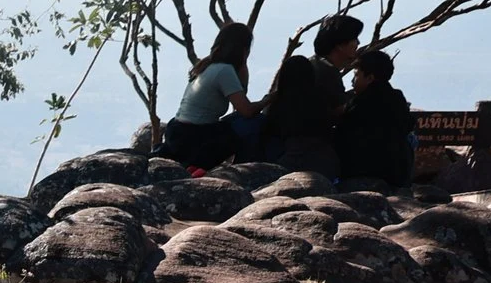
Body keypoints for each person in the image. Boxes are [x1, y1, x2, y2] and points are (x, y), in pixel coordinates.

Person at [263, 14, 364, 177]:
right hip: (308, 152)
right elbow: (340, 111)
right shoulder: (327, 72)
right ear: (340, 44)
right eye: (354, 39)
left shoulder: (313, 64)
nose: (358, 44)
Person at [163, 23, 265, 170]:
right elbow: (247, 110)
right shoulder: (225, 71)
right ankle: (242, 170)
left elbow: (241, 100)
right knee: (256, 123)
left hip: (178, 131)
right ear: (244, 49)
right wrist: (266, 101)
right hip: (194, 137)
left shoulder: (207, 65)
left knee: (240, 121)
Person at [334, 47, 415, 186]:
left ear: (370, 78)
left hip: (361, 172)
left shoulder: (360, 103)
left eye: (356, 75)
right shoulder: (397, 98)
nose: (353, 81)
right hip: (396, 173)